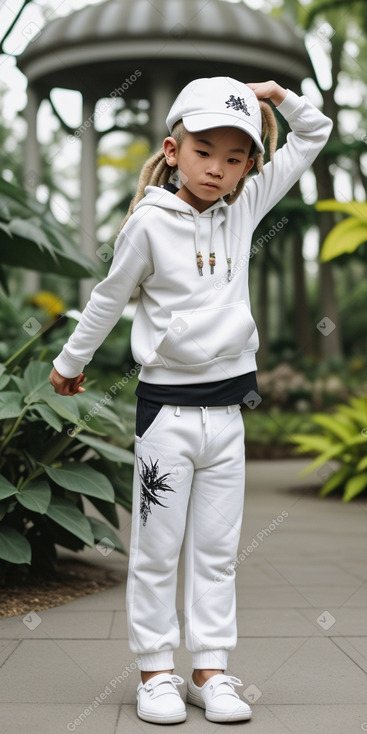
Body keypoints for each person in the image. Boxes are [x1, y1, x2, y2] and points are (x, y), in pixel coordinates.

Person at [49, 76, 332, 725]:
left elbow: (312, 133)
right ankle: (155, 672)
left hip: (227, 416)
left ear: (249, 167)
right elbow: (108, 298)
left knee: (215, 550)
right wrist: (70, 364)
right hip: (167, 417)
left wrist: (276, 95)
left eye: (235, 157)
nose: (219, 168)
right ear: (173, 150)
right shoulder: (148, 223)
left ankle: (211, 671)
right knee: (155, 550)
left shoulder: (246, 206)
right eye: (205, 150)